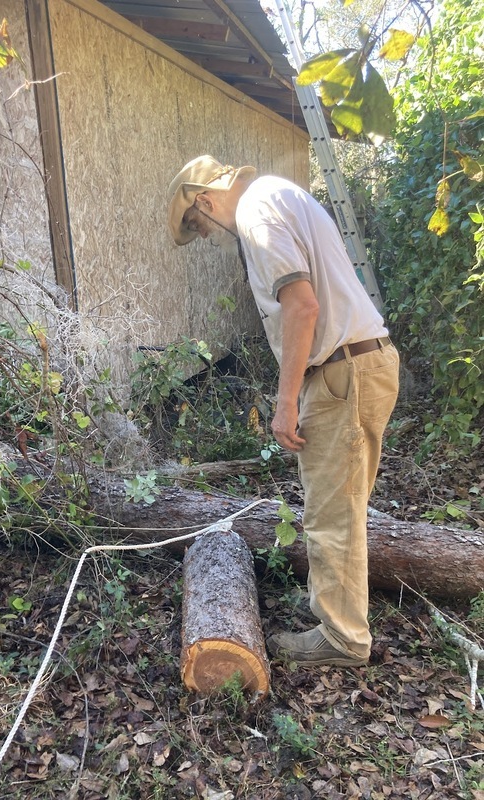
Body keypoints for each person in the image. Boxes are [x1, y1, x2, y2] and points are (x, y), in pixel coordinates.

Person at [167, 155, 399, 666]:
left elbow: (302, 306)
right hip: (362, 363)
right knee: (342, 502)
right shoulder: (281, 194)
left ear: (206, 199)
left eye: (200, 225)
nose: (206, 234)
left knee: (330, 512)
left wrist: (286, 400)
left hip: (341, 372)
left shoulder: (256, 214)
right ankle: (332, 606)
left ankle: (342, 639)